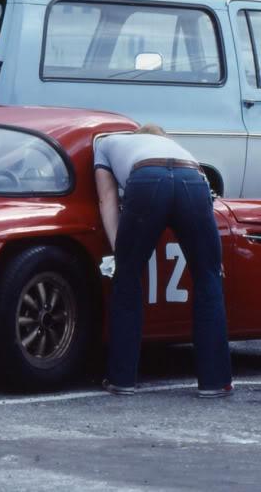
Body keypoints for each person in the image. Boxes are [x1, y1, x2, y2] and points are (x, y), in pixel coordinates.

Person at [94, 124, 233, 398]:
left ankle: (122, 378)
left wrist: (120, 253)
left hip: (147, 178)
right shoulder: (177, 148)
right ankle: (215, 382)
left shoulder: (106, 144)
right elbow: (206, 203)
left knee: (129, 278)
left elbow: (107, 198)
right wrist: (213, 258)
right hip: (193, 178)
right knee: (208, 278)